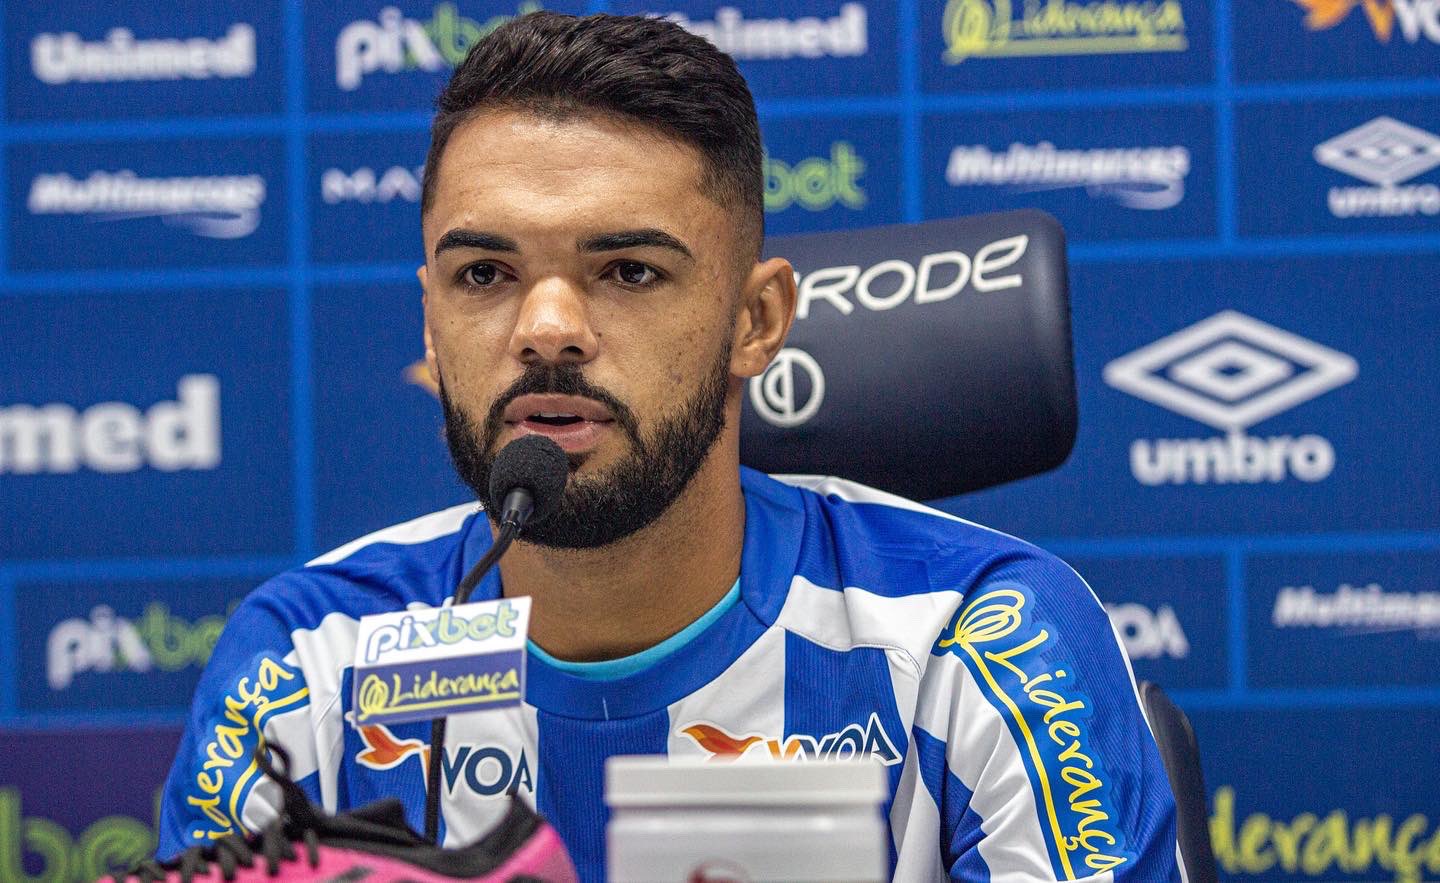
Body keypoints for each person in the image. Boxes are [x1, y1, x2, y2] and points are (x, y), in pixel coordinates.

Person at [157, 11, 1181, 881]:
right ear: (430, 322)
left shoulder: (982, 641)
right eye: (484, 275)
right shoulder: (311, 658)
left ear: (757, 322)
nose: (545, 329)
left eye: (630, 271)